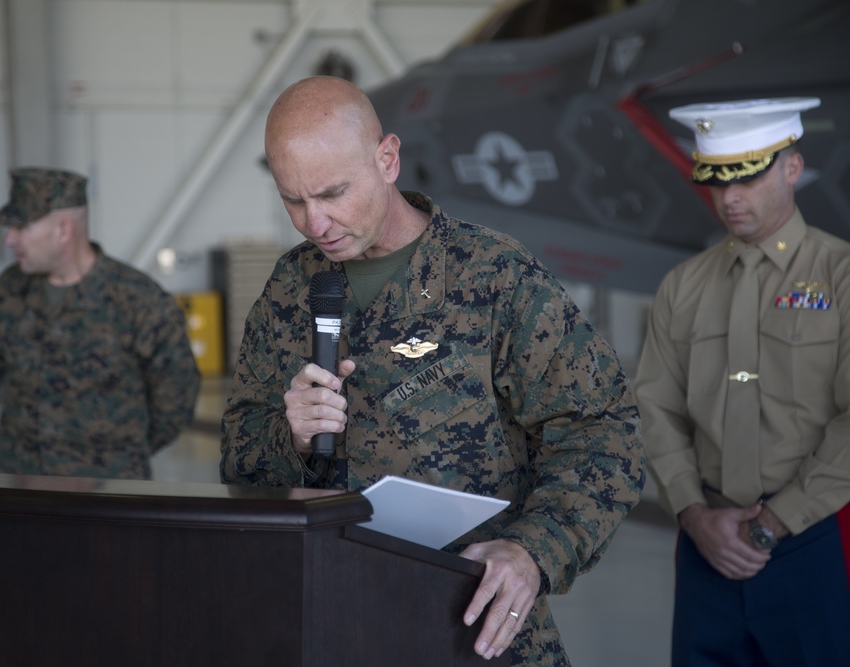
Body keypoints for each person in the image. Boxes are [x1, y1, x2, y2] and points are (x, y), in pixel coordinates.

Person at [219, 76, 645, 664]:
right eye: (294, 200)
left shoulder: (495, 277)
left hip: (472, 630)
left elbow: (603, 431)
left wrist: (533, 553)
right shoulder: (289, 292)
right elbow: (238, 460)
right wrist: (288, 437)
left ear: (387, 159)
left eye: (333, 193)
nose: (315, 223)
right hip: (331, 627)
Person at [635, 97, 850, 665]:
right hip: (706, 544)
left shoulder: (842, 276)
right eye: (716, 181)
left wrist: (774, 525)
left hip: (812, 541)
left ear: (792, 168)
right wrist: (691, 513)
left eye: (748, 178)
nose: (729, 198)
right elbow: (654, 405)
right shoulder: (684, 286)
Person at [0, 167, 200, 480]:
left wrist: (119, 453)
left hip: (104, 488)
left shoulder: (139, 301)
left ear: (63, 231)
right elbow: (7, 366)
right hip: (16, 476)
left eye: (21, 226)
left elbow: (176, 399)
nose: (10, 239)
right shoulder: (7, 293)